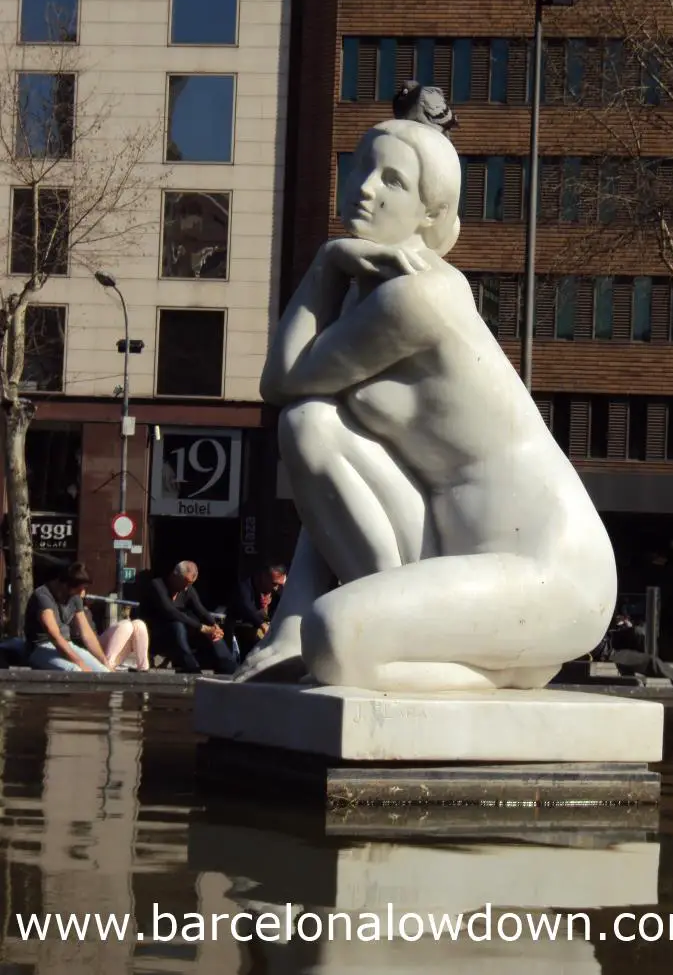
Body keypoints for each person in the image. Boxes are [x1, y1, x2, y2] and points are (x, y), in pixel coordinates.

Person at [236, 118, 618, 689]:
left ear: (431, 214)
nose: (365, 188)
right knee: (310, 423)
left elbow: (279, 378)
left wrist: (325, 262)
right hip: (449, 554)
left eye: (392, 180)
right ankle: (453, 649)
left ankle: (497, 674)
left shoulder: (419, 297)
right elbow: (325, 487)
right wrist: (287, 621)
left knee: (335, 640)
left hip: (551, 570)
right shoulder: (369, 298)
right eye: (361, 170)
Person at [24, 562, 150, 672]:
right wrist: (80, 663)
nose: (82, 594)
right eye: (79, 590)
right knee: (76, 671)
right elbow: (54, 636)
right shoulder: (43, 596)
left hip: (67, 644)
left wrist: (104, 662)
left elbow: (87, 633)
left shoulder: (75, 596)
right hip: (41, 647)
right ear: (65, 585)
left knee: (103, 673)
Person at [138, 561, 236, 674]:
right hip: (156, 634)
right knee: (178, 625)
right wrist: (201, 627)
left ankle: (228, 667)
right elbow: (171, 611)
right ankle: (192, 668)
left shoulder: (187, 589)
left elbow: (200, 610)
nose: (186, 587)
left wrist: (214, 626)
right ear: (175, 575)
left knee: (213, 633)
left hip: (181, 634)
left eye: (190, 584)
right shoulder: (157, 585)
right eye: (185, 582)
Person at [225, 564, 287, 660]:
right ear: (264, 577)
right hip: (239, 627)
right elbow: (246, 607)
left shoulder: (277, 591)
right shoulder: (245, 586)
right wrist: (262, 624)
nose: (276, 588)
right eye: (274, 584)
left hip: (265, 630)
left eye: (280, 584)